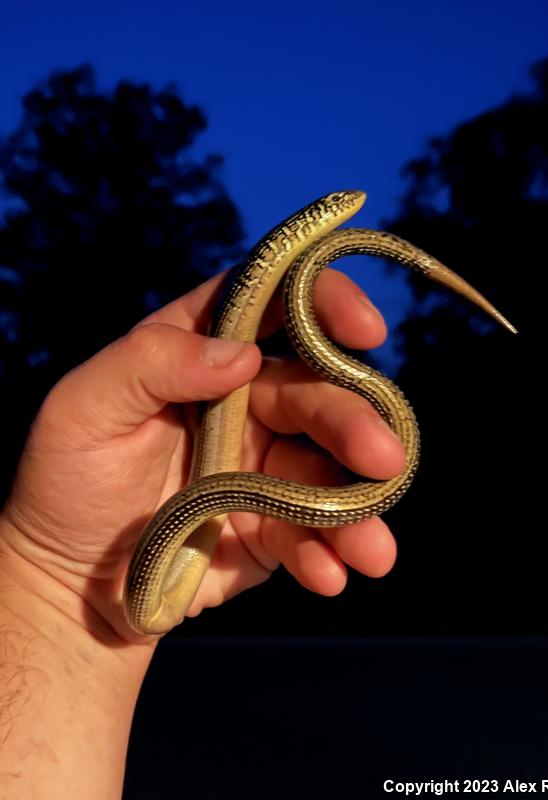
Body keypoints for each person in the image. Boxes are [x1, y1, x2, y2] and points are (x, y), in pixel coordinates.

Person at [0, 266, 405, 798]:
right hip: (158, 553)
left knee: (374, 468)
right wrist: (53, 584)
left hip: (156, 558)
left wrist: (55, 602)